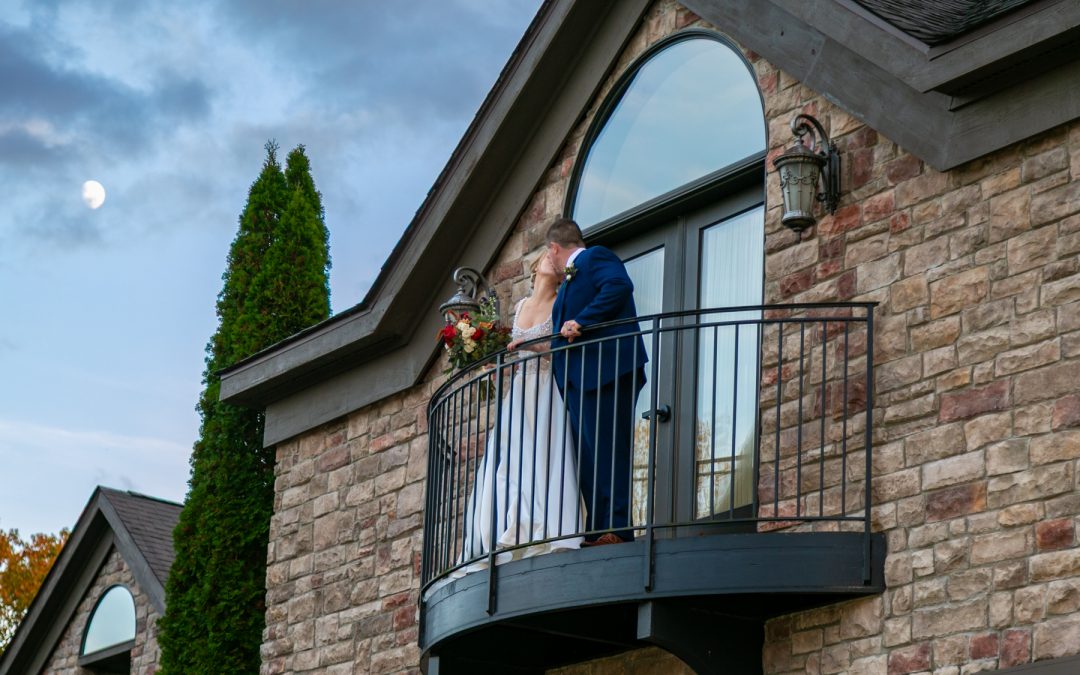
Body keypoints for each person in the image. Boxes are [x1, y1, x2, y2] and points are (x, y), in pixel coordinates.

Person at [458, 253, 585, 570]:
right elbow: (510, 351)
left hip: (544, 388)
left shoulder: (561, 303)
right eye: (548, 257)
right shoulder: (520, 307)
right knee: (512, 460)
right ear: (537, 265)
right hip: (519, 390)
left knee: (543, 453)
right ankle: (511, 528)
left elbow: (558, 349)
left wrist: (528, 348)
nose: (551, 261)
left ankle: (546, 528)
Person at [547, 217, 647, 545]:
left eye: (548, 255)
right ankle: (597, 529)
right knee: (588, 458)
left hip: (606, 369)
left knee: (609, 449)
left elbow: (619, 286)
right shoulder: (566, 285)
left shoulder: (594, 257)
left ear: (554, 249)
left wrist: (583, 321)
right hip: (579, 381)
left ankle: (616, 529)